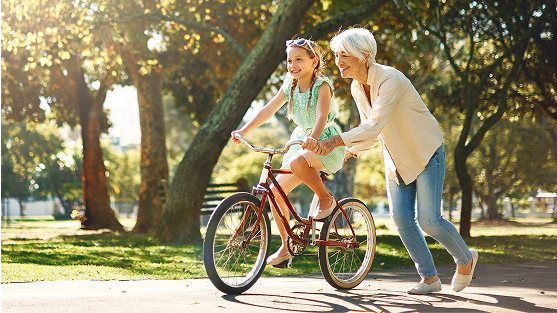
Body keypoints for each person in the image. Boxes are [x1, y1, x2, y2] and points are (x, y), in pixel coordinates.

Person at [303, 28, 478, 294]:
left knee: (429, 220)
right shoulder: (355, 86)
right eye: (336, 54)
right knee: (401, 219)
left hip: (425, 151)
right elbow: (371, 132)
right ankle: (429, 279)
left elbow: (373, 126)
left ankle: (465, 260)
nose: (338, 60)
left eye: (344, 55)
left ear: (363, 56)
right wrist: (349, 152)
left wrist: (336, 141)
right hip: (396, 159)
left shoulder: (389, 79)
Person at [231, 38, 346, 267]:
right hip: (301, 139)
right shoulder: (290, 84)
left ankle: (326, 198)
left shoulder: (322, 85)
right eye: (289, 60)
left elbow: (322, 116)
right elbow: (268, 110)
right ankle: (286, 246)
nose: (293, 65)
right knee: (274, 192)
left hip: (324, 141)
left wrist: (313, 138)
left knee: (297, 163)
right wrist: (244, 129)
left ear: (314, 61)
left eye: (299, 59)